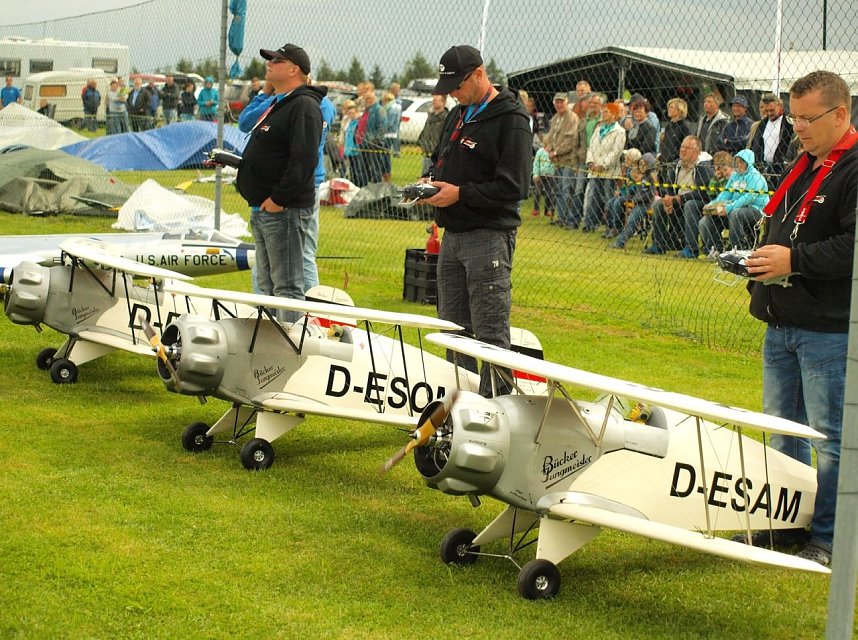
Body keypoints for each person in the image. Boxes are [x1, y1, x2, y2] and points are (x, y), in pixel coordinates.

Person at [739, 71, 858, 567]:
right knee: (781, 429)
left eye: (809, 119)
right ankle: (787, 522)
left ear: (841, 115)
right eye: (794, 118)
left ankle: (828, 537)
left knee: (828, 439)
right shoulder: (805, 162)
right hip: (782, 319)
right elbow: (788, 225)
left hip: (826, 329)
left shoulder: (852, 168)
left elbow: (852, 246)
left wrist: (793, 261)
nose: (799, 128)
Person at [422, 45, 531, 398]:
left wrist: (460, 194)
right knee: (452, 328)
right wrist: (430, 184)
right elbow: (442, 160)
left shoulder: (511, 120)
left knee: (490, 332)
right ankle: (461, 406)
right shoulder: (458, 114)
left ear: (479, 75)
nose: (452, 93)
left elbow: (515, 186)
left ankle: (497, 409)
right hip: (453, 235)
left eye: (457, 85)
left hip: (488, 237)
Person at [235, 43, 324, 322]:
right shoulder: (280, 102)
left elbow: (304, 160)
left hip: (283, 211)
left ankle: (293, 352)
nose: (269, 63)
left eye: (276, 60)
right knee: (267, 287)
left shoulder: (304, 105)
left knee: (287, 287)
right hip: (264, 210)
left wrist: (278, 200)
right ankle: (271, 345)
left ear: (294, 68)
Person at [644, 135, 713, 255]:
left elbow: (702, 192)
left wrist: (679, 198)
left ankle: (691, 249)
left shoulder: (704, 167)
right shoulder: (677, 164)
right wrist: (667, 199)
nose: (682, 150)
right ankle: (659, 245)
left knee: (690, 205)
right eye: (682, 147)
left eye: (687, 148)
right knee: (658, 204)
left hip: (698, 202)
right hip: (678, 201)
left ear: (697, 151)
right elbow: (668, 185)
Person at [696, 148, 769, 254]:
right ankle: (716, 249)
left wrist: (729, 207)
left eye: (741, 162)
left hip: (756, 209)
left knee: (736, 213)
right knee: (708, 218)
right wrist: (713, 205)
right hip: (735, 207)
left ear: (748, 163)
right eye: (737, 162)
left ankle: (738, 249)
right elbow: (726, 193)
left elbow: (749, 197)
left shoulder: (755, 176)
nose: (738, 165)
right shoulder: (735, 176)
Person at [581, 101, 626, 233]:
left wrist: (602, 165)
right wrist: (590, 162)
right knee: (593, 196)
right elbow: (591, 147)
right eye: (603, 111)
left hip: (609, 171)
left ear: (614, 114)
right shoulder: (598, 129)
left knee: (608, 198)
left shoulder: (620, 132)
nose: (603, 114)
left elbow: (616, 152)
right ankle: (590, 223)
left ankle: (611, 226)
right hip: (594, 169)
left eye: (606, 112)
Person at [542, 91, 579, 229]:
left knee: (566, 189)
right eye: (556, 102)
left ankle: (569, 219)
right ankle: (561, 217)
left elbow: (571, 140)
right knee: (557, 189)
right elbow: (550, 136)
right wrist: (549, 148)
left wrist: (556, 151)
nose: (559, 104)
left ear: (566, 102)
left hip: (568, 159)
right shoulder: (556, 117)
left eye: (561, 102)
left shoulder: (572, 117)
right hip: (556, 160)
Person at [609, 152, 660, 249]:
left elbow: (649, 194)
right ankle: (621, 239)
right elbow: (635, 190)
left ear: (650, 165)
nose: (642, 166)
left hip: (647, 203)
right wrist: (629, 196)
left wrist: (636, 199)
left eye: (645, 164)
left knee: (631, 220)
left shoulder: (650, 178)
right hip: (640, 203)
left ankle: (620, 242)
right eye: (640, 164)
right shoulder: (642, 177)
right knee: (630, 220)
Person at [746, 93, 796, 188]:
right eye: (767, 110)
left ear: (780, 106)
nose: (769, 113)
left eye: (772, 110)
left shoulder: (789, 124)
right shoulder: (762, 124)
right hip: (763, 167)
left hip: (781, 168)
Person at [659, 98, 692, 182]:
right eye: (669, 107)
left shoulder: (684, 126)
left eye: (672, 107)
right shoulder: (669, 126)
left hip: (675, 163)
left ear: (680, 110)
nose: (669, 109)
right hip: (665, 162)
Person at [417, 94, 448, 176]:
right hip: (427, 152)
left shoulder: (446, 118)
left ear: (443, 102)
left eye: (436, 100)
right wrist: (421, 143)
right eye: (433, 100)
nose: (433, 102)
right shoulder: (430, 116)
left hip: (438, 154)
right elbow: (424, 131)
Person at [531, 144, 555, 217]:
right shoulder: (540, 152)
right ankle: (536, 209)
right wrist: (535, 174)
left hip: (550, 175)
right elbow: (536, 163)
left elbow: (554, 164)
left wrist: (552, 173)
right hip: (539, 175)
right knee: (537, 192)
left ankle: (547, 210)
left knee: (549, 193)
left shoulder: (553, 153)